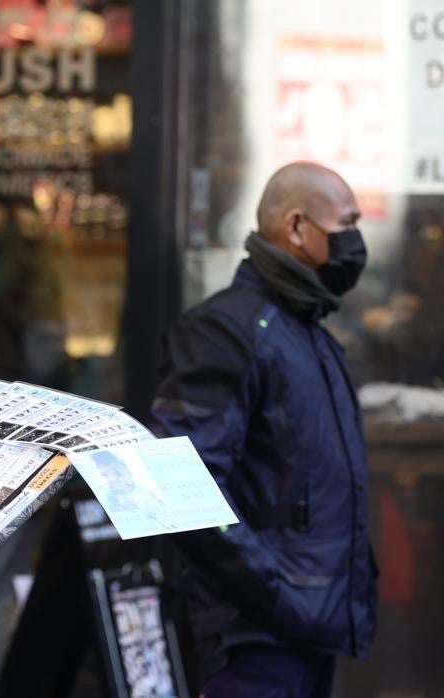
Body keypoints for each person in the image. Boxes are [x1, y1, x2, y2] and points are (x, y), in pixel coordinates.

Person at [150, 161, 377, 697]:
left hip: (307, 633)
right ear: (297, 228)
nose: (356, 242)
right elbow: (183, 485)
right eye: (347, 224)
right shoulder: (227, 329)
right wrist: (275, 595)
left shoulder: (308, 332)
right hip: (253, 645)